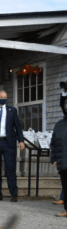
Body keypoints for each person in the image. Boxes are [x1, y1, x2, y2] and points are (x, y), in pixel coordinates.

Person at [0, 91, 25, 202]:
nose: (3, 99)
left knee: (10, 169)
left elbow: (18, 126)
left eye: (5, 97)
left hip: (8, 143)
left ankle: (14, 194)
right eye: (1, 97)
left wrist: (21, 141)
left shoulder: (12, 110)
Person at [50, 89, 67, 217]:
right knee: (66, 187)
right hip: (63, 162)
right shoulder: (59, 125)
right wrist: (54, 158)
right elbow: (53, 143)